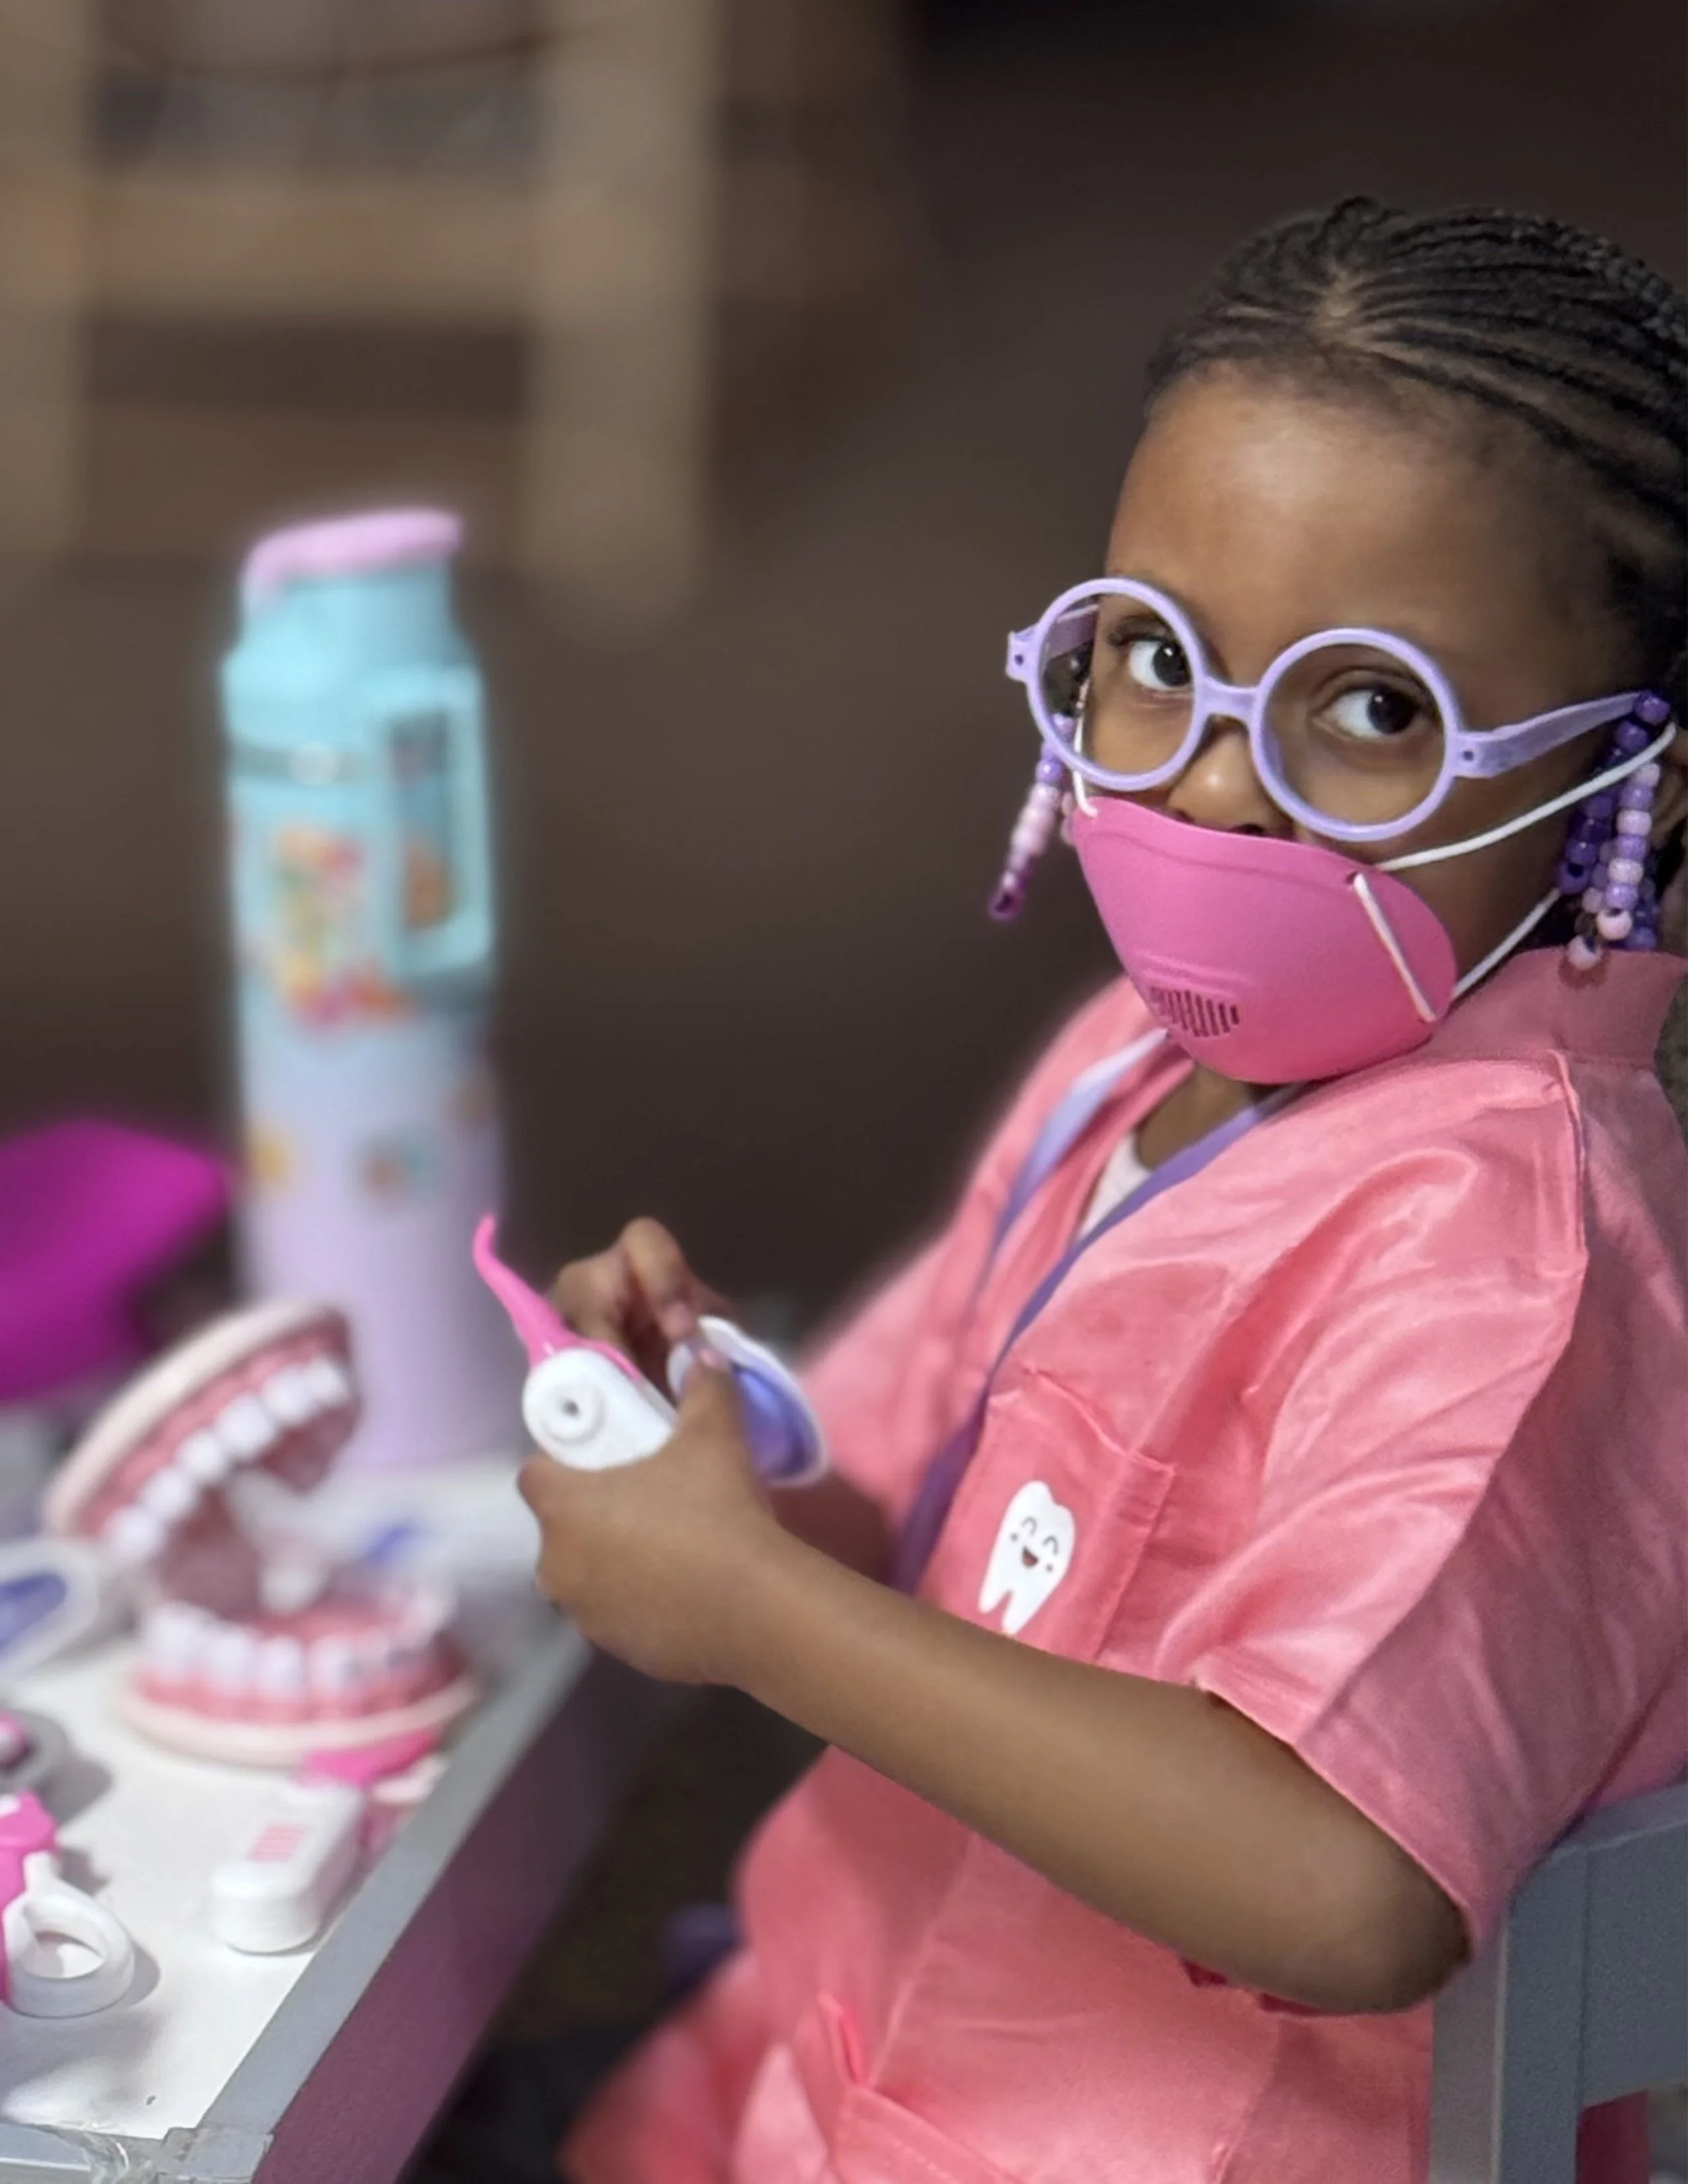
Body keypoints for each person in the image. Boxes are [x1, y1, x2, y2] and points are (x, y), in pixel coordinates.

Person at [518, 199, 1688, 2184]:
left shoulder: (1511, 1261)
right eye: (1153, 660)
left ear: (1621, 790)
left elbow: (1340, 1881)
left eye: (1373, 707)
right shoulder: (1127, 1069)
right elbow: (909, 1499)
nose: (1218, 783)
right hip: (831, 2054)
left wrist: (741, 1606)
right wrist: (710, 1443)